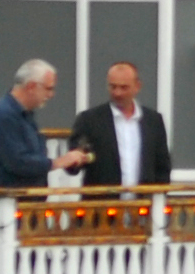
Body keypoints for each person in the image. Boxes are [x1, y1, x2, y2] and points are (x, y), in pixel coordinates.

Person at [69, 60, 175, 189]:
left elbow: (162, 166)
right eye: (113, 87)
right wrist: (76, 159)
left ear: (137, 86)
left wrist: (157, 199)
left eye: (124, 87)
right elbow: (73, 167)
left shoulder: (153, 121)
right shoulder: (89, 120)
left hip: (143, 205)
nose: (117, 93)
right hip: (102, 205)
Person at [0, 58, 82, 189]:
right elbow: (17, 162)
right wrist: (58, 162)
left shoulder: (25, 115)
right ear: (31, 86)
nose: (51, 95)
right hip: (9, 200)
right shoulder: (3, 115)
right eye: (48, 88)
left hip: (26, 199)